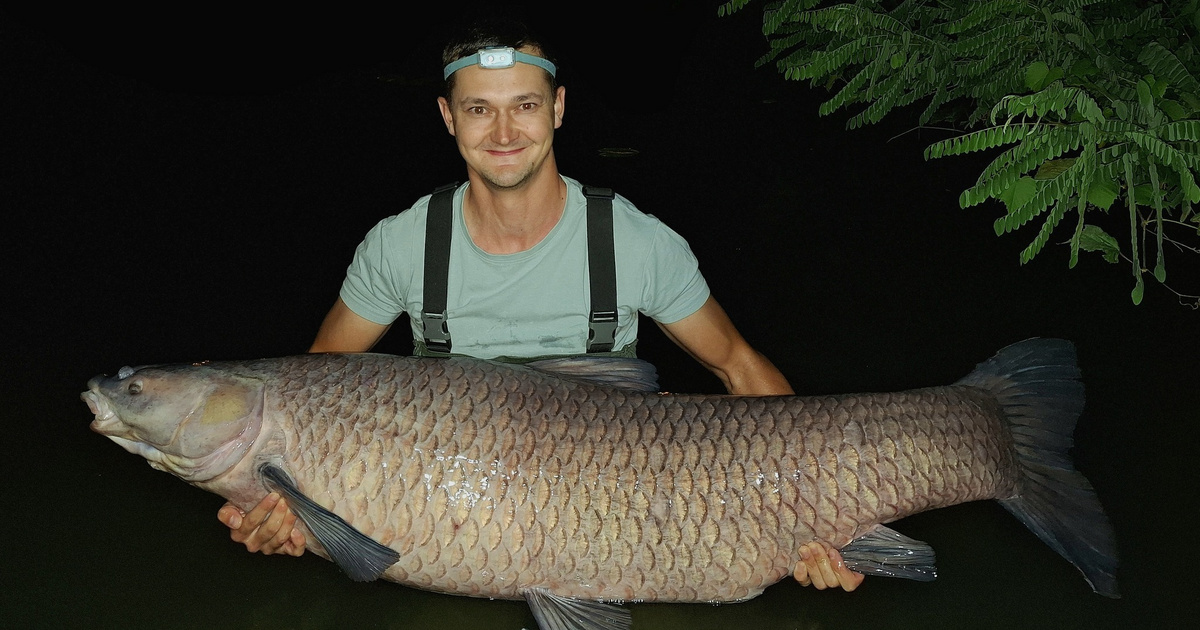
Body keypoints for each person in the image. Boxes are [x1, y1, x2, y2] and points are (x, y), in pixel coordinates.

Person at [216, 19, 863, 593]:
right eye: (478, 110)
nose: (503, 132)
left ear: (557, 108)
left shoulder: (634, 242)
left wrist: (817, 514)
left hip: (622, 508)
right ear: (448, 116)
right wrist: (286, 506)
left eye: (523, 105)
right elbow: (315, 382)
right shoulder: (401, 246)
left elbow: (738, 367)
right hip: (452, 529)